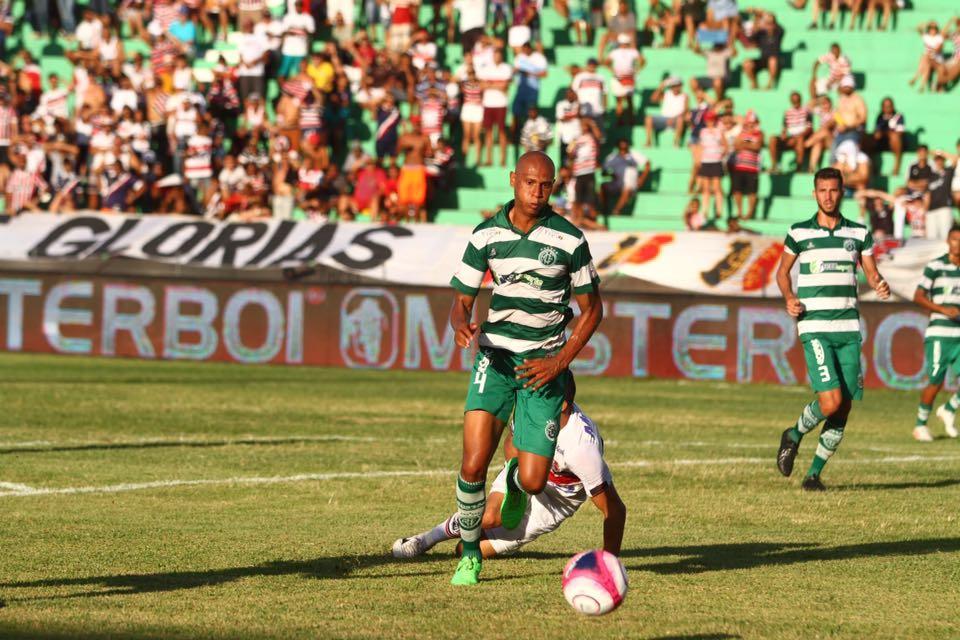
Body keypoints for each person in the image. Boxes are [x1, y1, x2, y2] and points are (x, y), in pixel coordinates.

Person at [447, 150, 603, 585]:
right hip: (494, 359)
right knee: (473, 465)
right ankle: (470, 556)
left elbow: (593, 309)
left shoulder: (569, 240)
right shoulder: (485, 235)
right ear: (513, 179)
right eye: (529, 183)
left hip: (543, 369)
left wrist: (560, 360)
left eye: (546, 185)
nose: (536, 192)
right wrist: (462, 325)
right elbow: (460, 301)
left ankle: (516, 479)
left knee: (535, 482)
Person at [393, 383, 626, 560]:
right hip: (520, 474)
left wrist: (609, 562)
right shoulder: (532, 409)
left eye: (542, 397)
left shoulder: (581, 448)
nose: (533, 401)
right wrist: (518, 481)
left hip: (555, 501)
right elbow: (511, 444)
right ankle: (425, 539)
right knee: (489, 517)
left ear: (563, 404)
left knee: (464, 549)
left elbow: (614, 509)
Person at [775, 167, 891, 491]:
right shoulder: (799, 233)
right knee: (830, 402)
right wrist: (789, 297)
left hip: (848, 328)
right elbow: (782, 273)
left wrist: (880, 284)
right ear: (814, 193)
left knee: (845, 404)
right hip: (814, 325)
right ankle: (794, 434)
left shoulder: (858, 233)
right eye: (822, 190)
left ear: (842, 192)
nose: (828, 196)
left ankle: (813, 475)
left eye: (834, 190)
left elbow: (871, 271)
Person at [912, 226, 960, 441]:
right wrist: (942, 309)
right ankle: (920, 425)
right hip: (940, 333)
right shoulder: (936, 265)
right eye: (954, 239)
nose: (957, 243)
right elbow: (918, 296)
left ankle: (949, 408)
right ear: (948, 241)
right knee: (936, 381)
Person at [477, 47, 512, 167]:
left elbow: (505, 86)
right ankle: (489, 159)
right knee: (488, 132)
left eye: (499, 55)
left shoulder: (506, 68)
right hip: (488, 104)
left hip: (501, 104)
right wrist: (497, 85)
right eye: (495, 55)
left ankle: (503, 159)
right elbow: (481, 85)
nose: (497, 57)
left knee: (502, 132)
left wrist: (490, 84)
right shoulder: (486, 68)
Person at [601, 138, 650, 216]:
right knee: (602, 186)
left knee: (627, 188)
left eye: (625, 146)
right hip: (617, 183)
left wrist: (641, 179)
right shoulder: (612, 157)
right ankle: (604, 209)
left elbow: (647, 164)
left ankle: (616, 210)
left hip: (630, 184)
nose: (623, 149)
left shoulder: (634, 154)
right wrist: (613, 175)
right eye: (621, 146)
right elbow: (603, 172)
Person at [397, 116, 432, 222]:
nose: (417, 126)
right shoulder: (405, 137)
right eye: (415, 124)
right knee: (405, 196)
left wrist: (425, 152)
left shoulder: (425, 138)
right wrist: (403, 147)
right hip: (407, 168)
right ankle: (407, 221)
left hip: (418, 168)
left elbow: (430, 153)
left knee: (418, 198)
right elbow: (397, 151)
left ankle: (416, 221)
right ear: (412, 125)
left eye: (419, 124)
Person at [730, 110, 763, 219]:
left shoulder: (759, 133)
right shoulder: (742, 133)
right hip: (739, 166)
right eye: (749, 122)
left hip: (752, 167)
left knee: (752, 191)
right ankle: (739, 212)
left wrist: (744, 144)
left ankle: (750, 212)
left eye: (752, 122)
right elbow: (736, 145)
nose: (750, 125)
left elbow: (757, 146)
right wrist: (749, 144)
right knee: (737, 190)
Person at [769, 91, 812, 174]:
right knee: (772, 139)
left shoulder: (806, 111)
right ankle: (774, 165)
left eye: (797, 100)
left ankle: (799, 167)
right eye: (793, 100)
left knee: (799, 139)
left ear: (800, 100)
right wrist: (783, 135)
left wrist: (798, 137)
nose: (795, 102)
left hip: (801, 138)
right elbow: (784, 128)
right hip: (790, 138)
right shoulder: (787, 112)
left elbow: (809, 129)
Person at [605, 33, 643, 126]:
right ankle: (620, 120)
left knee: (627, 100)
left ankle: (629, 120)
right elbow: (607, 62)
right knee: (620, 100)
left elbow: (642, 61)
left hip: (627, 77)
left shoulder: (631, 51)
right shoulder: (617, 52)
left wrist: (636, 71)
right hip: (620, 77)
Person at [697, 110, 726, 221]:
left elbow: (725, 145)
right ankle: (705, 211)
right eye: (708, 120)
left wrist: (720, 154)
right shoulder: (703, 132)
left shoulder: (719, 131)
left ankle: (719, 211)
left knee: (717, 187)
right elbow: (701, 146)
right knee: (706, 188)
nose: (710, 122)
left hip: (716, 161)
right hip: (706, 161)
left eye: (712, 119)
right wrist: (700, 159)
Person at [644, 76, 688, 147]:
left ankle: (676, 143)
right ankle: (648, 141)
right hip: (663, 119)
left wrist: (673, 118)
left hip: (676, 120)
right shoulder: (666, 94)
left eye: (678, 85)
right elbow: (653, 99)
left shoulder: (685, 96)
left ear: (681, 86)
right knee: (648, 118)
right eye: (674, 85)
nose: (676, 87)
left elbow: (685, 111)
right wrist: (661, 87)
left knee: (680, 120)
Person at [869, 97, 905, 176]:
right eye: (885, 106)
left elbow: (900, 132)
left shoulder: (898, 116)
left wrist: (886, 133)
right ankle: (873, 168)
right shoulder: (880, 117)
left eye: (889, 106)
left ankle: (896, 168)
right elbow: (877, 131)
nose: (887, 108)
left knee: (895, 137)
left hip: (894, 144)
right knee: (870, 140)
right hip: (883, 143)